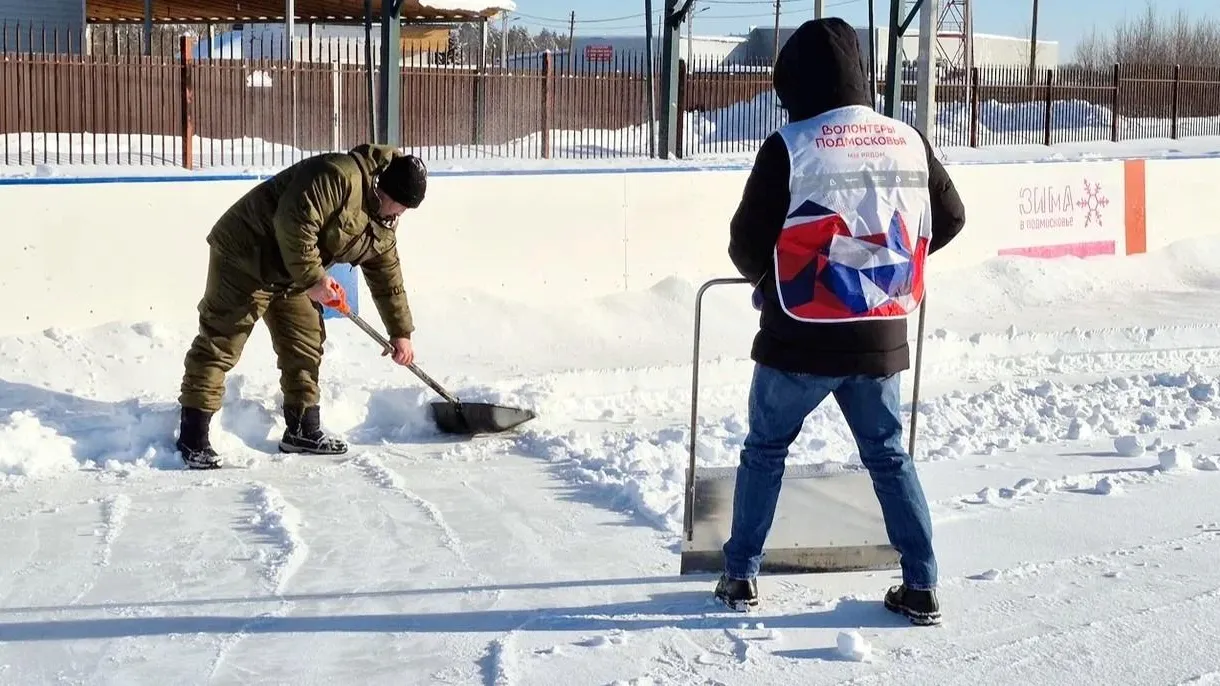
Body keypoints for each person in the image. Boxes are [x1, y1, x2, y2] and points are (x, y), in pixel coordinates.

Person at [714, 18, 966, 626]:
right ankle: (922, 583)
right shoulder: (909, 139)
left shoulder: (791, 144)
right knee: (887, 454)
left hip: (798, 336)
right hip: (878, 334)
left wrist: (779, 285)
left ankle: (741, 575)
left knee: (766, 449)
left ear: (794, 79)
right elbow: (952, 217)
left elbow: (746, 244)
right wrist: (884, 267)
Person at [174, 143, 427, 470]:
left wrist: (401, 332)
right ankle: (193, 436)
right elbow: (293, 224)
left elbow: (387, 275)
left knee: (305, 342)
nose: (401, 214)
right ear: (384, 189)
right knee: (222, 340)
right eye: (400, 205)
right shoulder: (337, 176)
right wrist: (315, 280)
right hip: (247, 254)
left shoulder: (384, 220)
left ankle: (302, 429)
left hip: (292, 275)